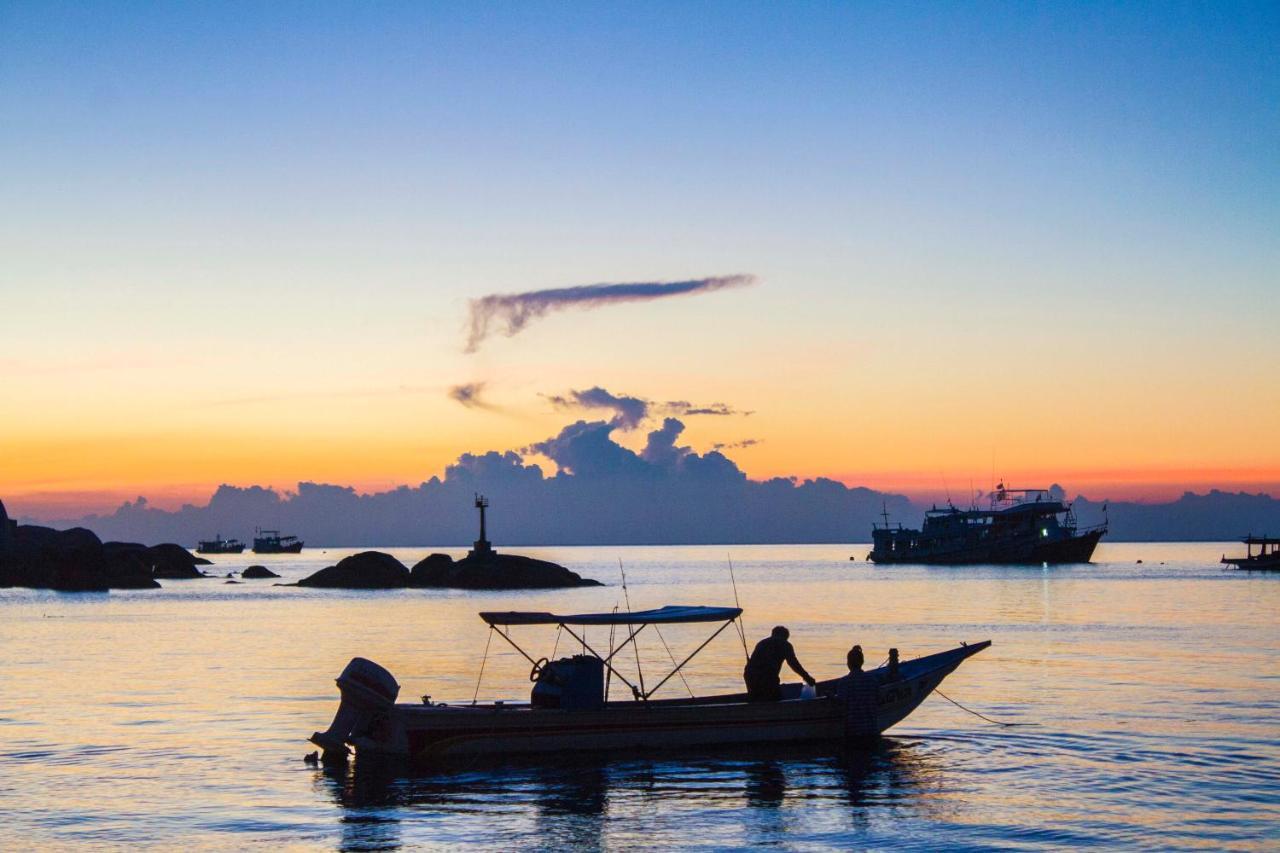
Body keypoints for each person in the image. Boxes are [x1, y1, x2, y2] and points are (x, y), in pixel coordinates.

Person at [743, 626, 816, 701]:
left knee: (755, 698)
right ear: (785, 636)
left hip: (750, 675)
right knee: (774, 699)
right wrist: (807, 677)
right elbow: (794, 664)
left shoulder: (762, 643)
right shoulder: (785, 644)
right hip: (767, 677)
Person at [836, 644, 878, 741]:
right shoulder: (873, 681)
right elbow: (878, 699)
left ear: (848, 663)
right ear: (862, 662)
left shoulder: (844, 683)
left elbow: (841, 703)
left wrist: (830, 697)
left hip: (853, 733)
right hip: (871, 731)